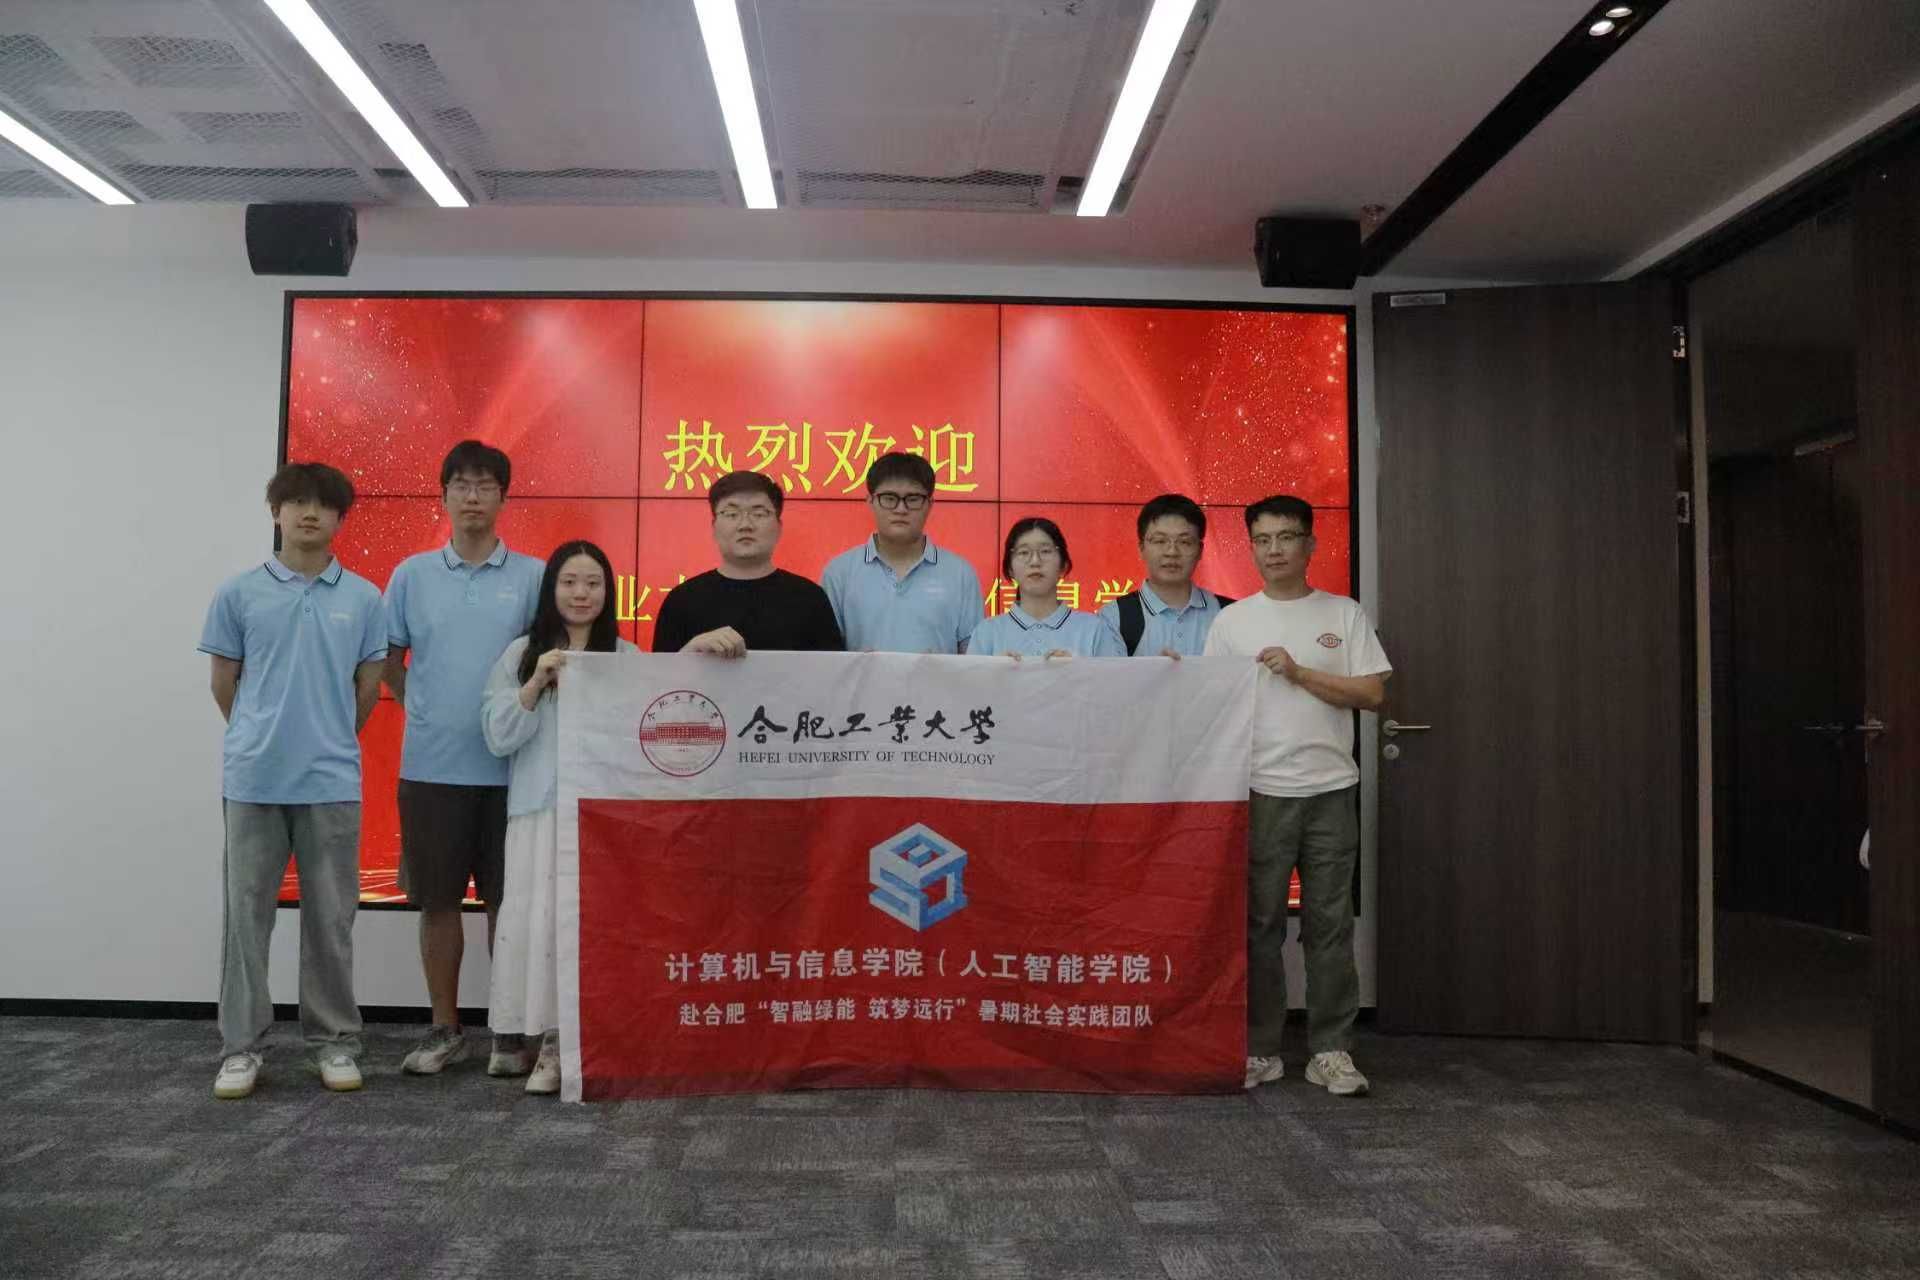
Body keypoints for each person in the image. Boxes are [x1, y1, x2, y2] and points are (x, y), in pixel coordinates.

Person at [198, 462, 386, 1099]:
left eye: (323, 505)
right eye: (297, 502)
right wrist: (261, 736)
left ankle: (334, 1042)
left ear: (339, 519)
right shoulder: (239, 593)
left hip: (331, 781)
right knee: (245, 921)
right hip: (254, 780)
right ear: (275, 512)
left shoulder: (364, 598)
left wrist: (325, 738)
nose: (310, 513)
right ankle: (241, 1048)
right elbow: (224, 683)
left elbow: (367, 689)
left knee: (331, 919)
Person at [1203, 494, 1390, 1097]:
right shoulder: (1233, 623)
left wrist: (1300, 672)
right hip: (1260, 792)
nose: (1275, 549)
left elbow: (1372, 695)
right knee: (1258, 926)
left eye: (1287, 537)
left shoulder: (1343, 613)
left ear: (1311, 544)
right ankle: (1260, 1049)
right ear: (1251, 548)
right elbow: (1211, 707)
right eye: (1263, 539)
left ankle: (1330, 1050)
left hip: (1331, 790)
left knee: (1329, 924)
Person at [382, 440, 544, 1077]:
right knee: (438, 902)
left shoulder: (533, 576)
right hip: (432, 770)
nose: (473, 497)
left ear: (504, 497)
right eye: (461, 486)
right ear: (443, 496)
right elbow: (390, 659)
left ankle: (508, 1031)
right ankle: (444, 1029)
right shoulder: (411, 575)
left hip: (514, 770)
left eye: (485, 486)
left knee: (510, 905)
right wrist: (422, 708)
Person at [483, 541, 636, 1096]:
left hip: (599, 819)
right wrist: (535, 683)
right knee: (536, 920)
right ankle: (529, 1034)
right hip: (537, 810)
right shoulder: (522, 653)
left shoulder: (624, 656)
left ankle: (570, 1039)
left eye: (593, 583)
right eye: (570, 582)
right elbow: (497, 735)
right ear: (552, 589)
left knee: (585, 924)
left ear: (608, 592)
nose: (581, 593)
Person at [651, 471, 845, 656]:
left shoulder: (810, 599)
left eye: (758, 514)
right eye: (731, 514)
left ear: (779, 527)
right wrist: (690, 651)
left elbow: (833, 674)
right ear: (714, 526)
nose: (745, 525)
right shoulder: (682, 600)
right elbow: (660, 677)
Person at [821, 452, 984, 653]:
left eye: (913, 499)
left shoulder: (960, 574)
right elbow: (826, 655)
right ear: (870, 501)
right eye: (889, 498)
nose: (900, 509)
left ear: (929, 504)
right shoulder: (839, 573)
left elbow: (974, 657)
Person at [1096, 493, 1234, 657]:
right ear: (1141, 549)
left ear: (1200, 551)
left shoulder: (1229, 613)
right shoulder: (1114, 617)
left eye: (1184, 542)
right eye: (1160, 541)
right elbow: (1108, 674)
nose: (1172, 552)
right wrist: (1155, 670)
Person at [966, 517, 1126, 658]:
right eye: (1024, 553)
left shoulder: (1094, 630)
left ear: (1063, 565)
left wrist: (1078, 670)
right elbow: (971, 683)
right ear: (1010, 569)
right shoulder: (986, 633)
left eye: (1045, 551)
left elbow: (1111, 682)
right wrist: (993, 672)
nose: (1035, 561)